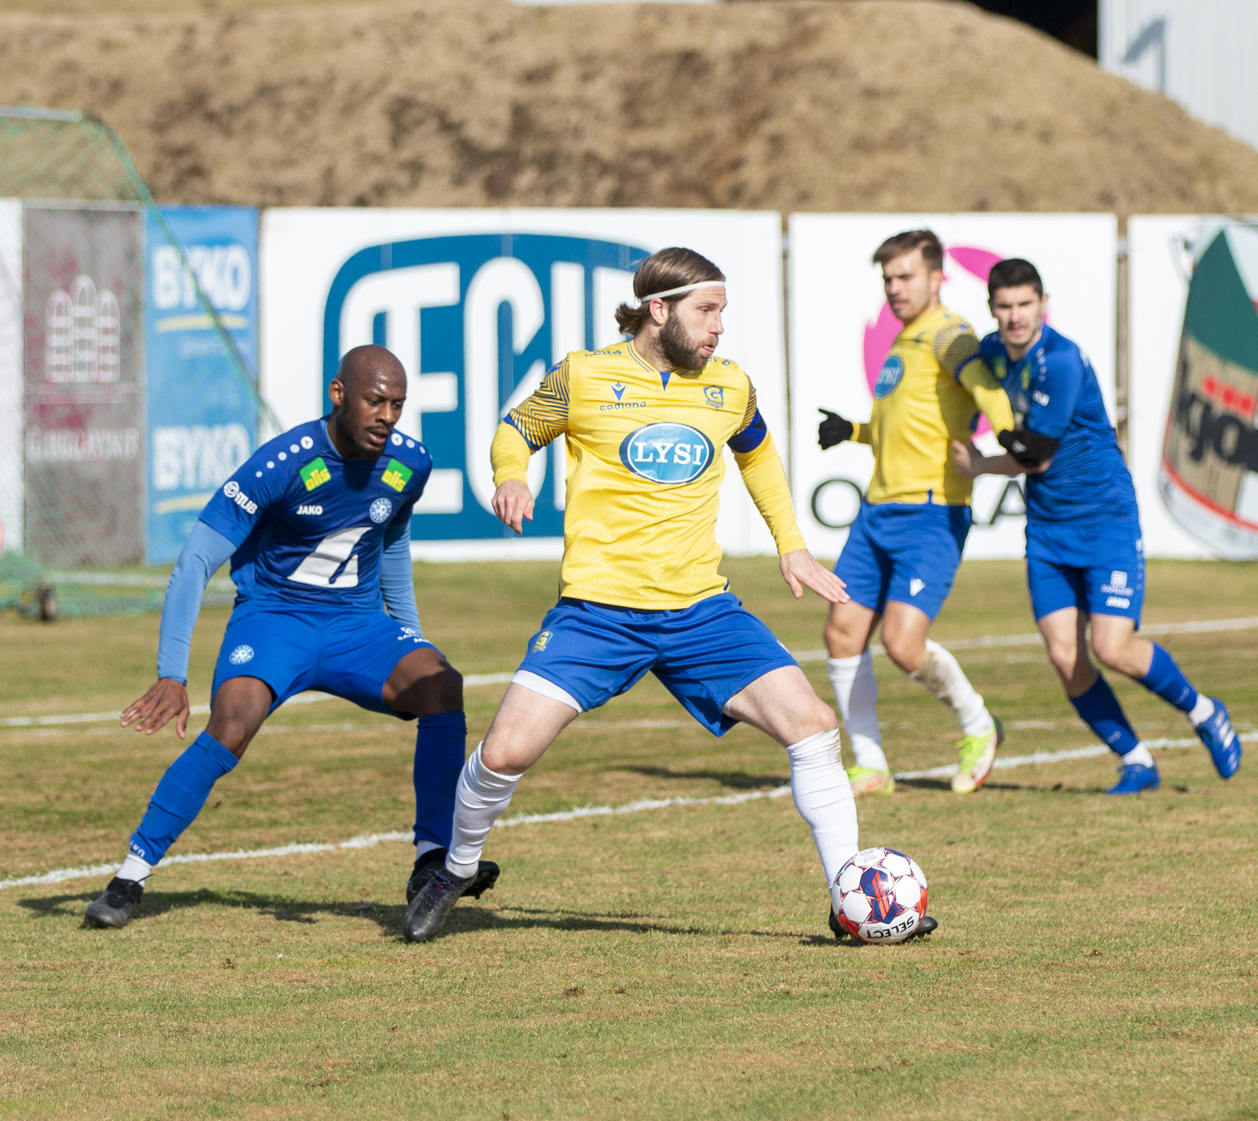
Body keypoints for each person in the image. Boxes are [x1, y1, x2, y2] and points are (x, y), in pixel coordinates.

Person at [402, 248, 932, 945]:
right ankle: (456, 868)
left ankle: (848, 900)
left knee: (812, 725)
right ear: (659, 309)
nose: (717, 328)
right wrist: (512, 475)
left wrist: (791, 542)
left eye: (723, 312)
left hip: (700, 610)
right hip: (598, 612)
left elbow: (759, 455)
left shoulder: (728, 386)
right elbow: (516, 428)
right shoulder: (585, 375)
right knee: (502, 752)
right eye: (705, 311)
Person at [86, 346, 495, 929]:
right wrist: (172, 672)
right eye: (375, 401)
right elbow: (195, 561)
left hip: (358, 624)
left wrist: (412, 636)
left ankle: (431, 859)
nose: (387, 415)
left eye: (397, 405)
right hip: (275, 620)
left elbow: (391, 541)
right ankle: (129, 877)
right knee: (230, 726)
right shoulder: (282, 461)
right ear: (338, 394)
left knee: (440, 685)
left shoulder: (411, 463)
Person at [950, 259, 1242, 795]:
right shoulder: (990, 353)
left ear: (1043, 304)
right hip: (1047, 529)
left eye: (1025, 305)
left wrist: (979, 465)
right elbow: (959, 386)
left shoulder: (1059, 362)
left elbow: (1035, 456)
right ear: (992, 309)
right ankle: (1136, 761)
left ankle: (1204, 711)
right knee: (1065, 655)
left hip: (1104, 520)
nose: (1015, 317)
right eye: (1005, 306)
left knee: (1112, 647)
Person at [815, 229, 1017, 797]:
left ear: (936, 277)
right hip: (876, 511)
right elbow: (897, 429)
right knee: (841, 632)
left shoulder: (950, 336)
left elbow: (987, 391)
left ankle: (980, 726)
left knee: (902, 644)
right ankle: (872, 764)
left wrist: (1008, 435)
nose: (895, 287)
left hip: (931, 514)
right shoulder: (904, 342)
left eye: (905, 276)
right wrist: (851, 431)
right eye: (888, 278)